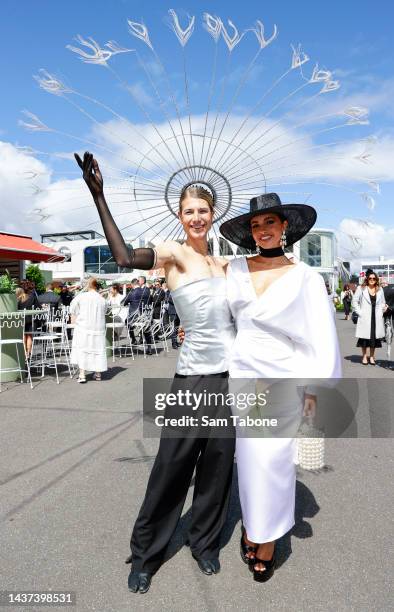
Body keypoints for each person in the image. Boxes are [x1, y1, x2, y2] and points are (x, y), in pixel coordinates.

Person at [75, 151, 235, 594]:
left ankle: (205, 545)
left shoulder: (227, 265)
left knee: (219, 469)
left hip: (230, 379)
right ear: (179, 215)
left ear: (213, 213)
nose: (197, 218)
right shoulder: (173, 255)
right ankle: (145, 553)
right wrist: (99, 197)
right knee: (172, 467)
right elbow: (124, 257)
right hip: (192, 378)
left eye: (203, 211)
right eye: (189, 212)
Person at [220, 192, 342, 582]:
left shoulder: (307, 277)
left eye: (269, 222)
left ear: (285, 226)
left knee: (272, 461)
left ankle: (267, 538)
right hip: (242, 374)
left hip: (283, 376)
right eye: (256, 225)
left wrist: (314, 390)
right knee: (251, 460)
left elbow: (321, 336)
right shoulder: (235, 270)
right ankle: (254, 526)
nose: (262, 231)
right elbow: (220, 318)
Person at [69, 277, 108, 382]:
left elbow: (72, 308)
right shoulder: (102, 299)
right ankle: (98, 374)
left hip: (83, 327)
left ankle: (82, 375)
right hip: (98, 328)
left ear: (88, 285)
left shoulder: (81, 296)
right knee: (97, 351)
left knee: (83, 350)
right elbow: (105, 311)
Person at [352, 270, 387, 365]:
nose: (372, 280)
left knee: (374, 339)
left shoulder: (380, 289)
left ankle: (371, 357)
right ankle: (364, 356)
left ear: (376, 280)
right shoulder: (361, 288)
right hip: (365, 316)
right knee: (364, 339)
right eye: (370, 278)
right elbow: (354, 301)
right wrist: (360, 312)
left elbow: (383, 302)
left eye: (374, 278)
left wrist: (383, 309)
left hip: (376, 317)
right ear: (367, 279)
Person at [122, 276, 153, 354]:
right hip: (145, 316)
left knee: (127, 321)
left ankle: (133, 339)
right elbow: (151, 301)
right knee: (146, 327)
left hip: (135, 318)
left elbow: (122, 302)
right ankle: (149, 347)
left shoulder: (132, 293)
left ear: (132, 285)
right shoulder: (146, 291)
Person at [16, 280, 40, 358]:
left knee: (23, 335)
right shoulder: (32, 297)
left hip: (20, 320)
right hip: (30, 320)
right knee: (29, 336)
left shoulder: (18, 299)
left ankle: (24, 354)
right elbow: (38, 308)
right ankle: (28, 354)